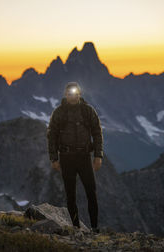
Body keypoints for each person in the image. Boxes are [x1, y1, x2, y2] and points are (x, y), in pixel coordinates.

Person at [46, 81, 104, 233]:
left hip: (85, 157)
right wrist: (54, 158)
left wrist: (98, 156)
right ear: (65, 95)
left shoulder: (88, 111)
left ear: (80, 93)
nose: (72, 96)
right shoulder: (59, 112)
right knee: (70, 194)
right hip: (66, 158)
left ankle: (94, 228)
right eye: (69, 93)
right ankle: (76, 227)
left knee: (91, 191)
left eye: (75, 93)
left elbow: (97, 133)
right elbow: (51, 135)